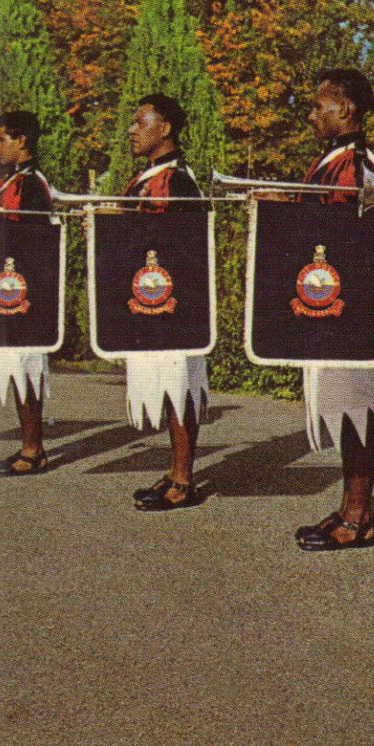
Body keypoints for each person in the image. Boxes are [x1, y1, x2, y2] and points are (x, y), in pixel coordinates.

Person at [289, 68, 374, 551]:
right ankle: (352, 504)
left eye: (318, 107)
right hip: (328, 300)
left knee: (359, 403)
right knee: (342, 404)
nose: (311, 115)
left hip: (350, 304)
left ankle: (359, 513)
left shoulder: (355, 161)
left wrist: (289, 207)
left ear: (345, 109)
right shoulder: (330, 159)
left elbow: (341, 228)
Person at [121, 93, 212, 512]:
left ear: (166, 129)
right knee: (165, 384)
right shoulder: (149, 176)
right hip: (153, 297)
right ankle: (176, 470)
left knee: (181, 385)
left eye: (141, 122)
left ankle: (185, 478)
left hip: (176, 301)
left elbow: (178, 244)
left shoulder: (176, 180)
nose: (132, 129)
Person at [0, 110, 55, 476]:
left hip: (27, 290)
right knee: (17, 365)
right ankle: (30, 444)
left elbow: (26, 238)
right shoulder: (9, 182)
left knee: (28, 365)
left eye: (1, 138)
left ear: (21, 141)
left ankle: (32, 449)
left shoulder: (32, 184)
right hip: (9, 288)